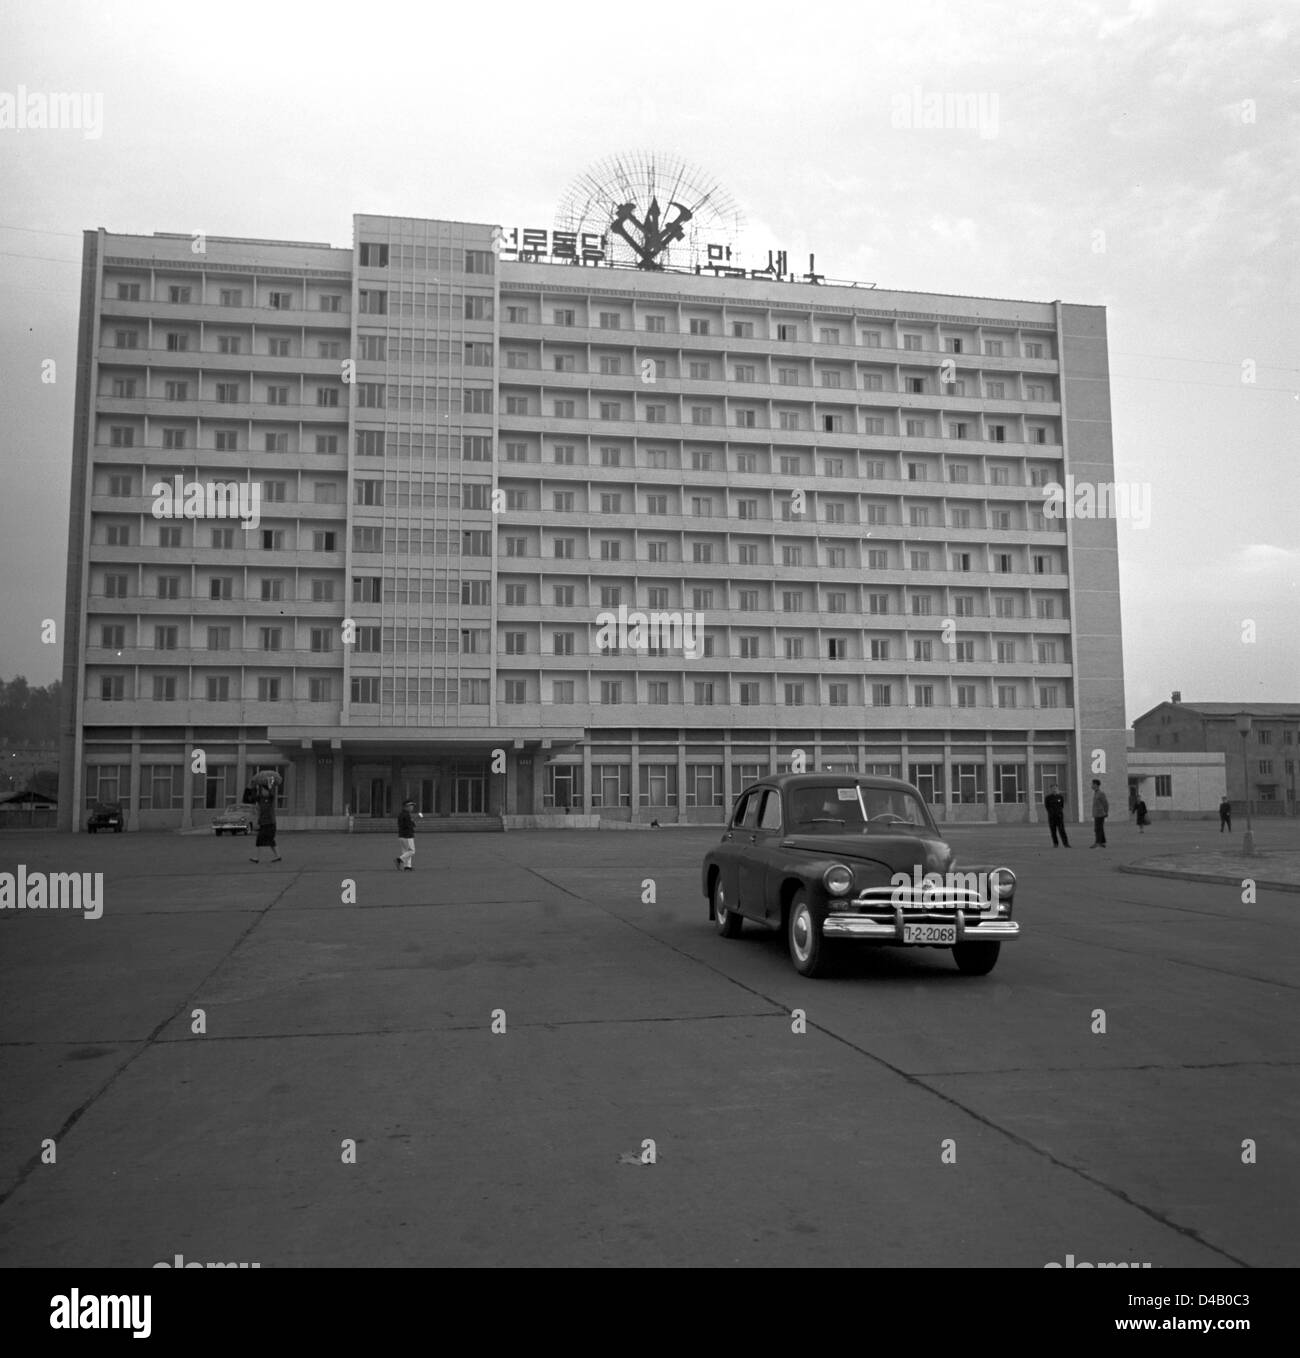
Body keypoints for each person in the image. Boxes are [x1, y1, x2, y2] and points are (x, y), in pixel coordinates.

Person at [248, 773, 281, 864]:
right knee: (269, 840)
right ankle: (278, 856)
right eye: (262, 790)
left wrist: (270, 780)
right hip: (263, 823)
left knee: (262, 840)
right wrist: (254, 785)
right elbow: (253, 797)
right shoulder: (261, 799)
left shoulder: (270, 798)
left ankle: (257, 858)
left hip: (270, 823)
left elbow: (271, 788)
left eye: (264, 790)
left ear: (267, 791)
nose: (263, 792)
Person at [396, 800, 417, 871]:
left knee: (406, 851)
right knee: (411, 851)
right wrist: (413, 823)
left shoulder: (401, 814)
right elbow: (409, 825)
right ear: (406, 806)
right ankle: (399, 859)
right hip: (407, 835)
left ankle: (407, 866)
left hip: (401, 835)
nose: (412, 807)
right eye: (411, 806)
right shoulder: (407, 815)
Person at [1090, 779, 1109, 848]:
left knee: (1097, 828)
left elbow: (1105, 803)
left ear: (1096, 785)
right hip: (1096, 814)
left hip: (1100, 814)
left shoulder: (1101, 793)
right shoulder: (1095, 793)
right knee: (1100, 828)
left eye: (1092, 784)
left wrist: (1106, 812)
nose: (1091, 786)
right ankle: (1102, 842)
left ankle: (1097, 842)